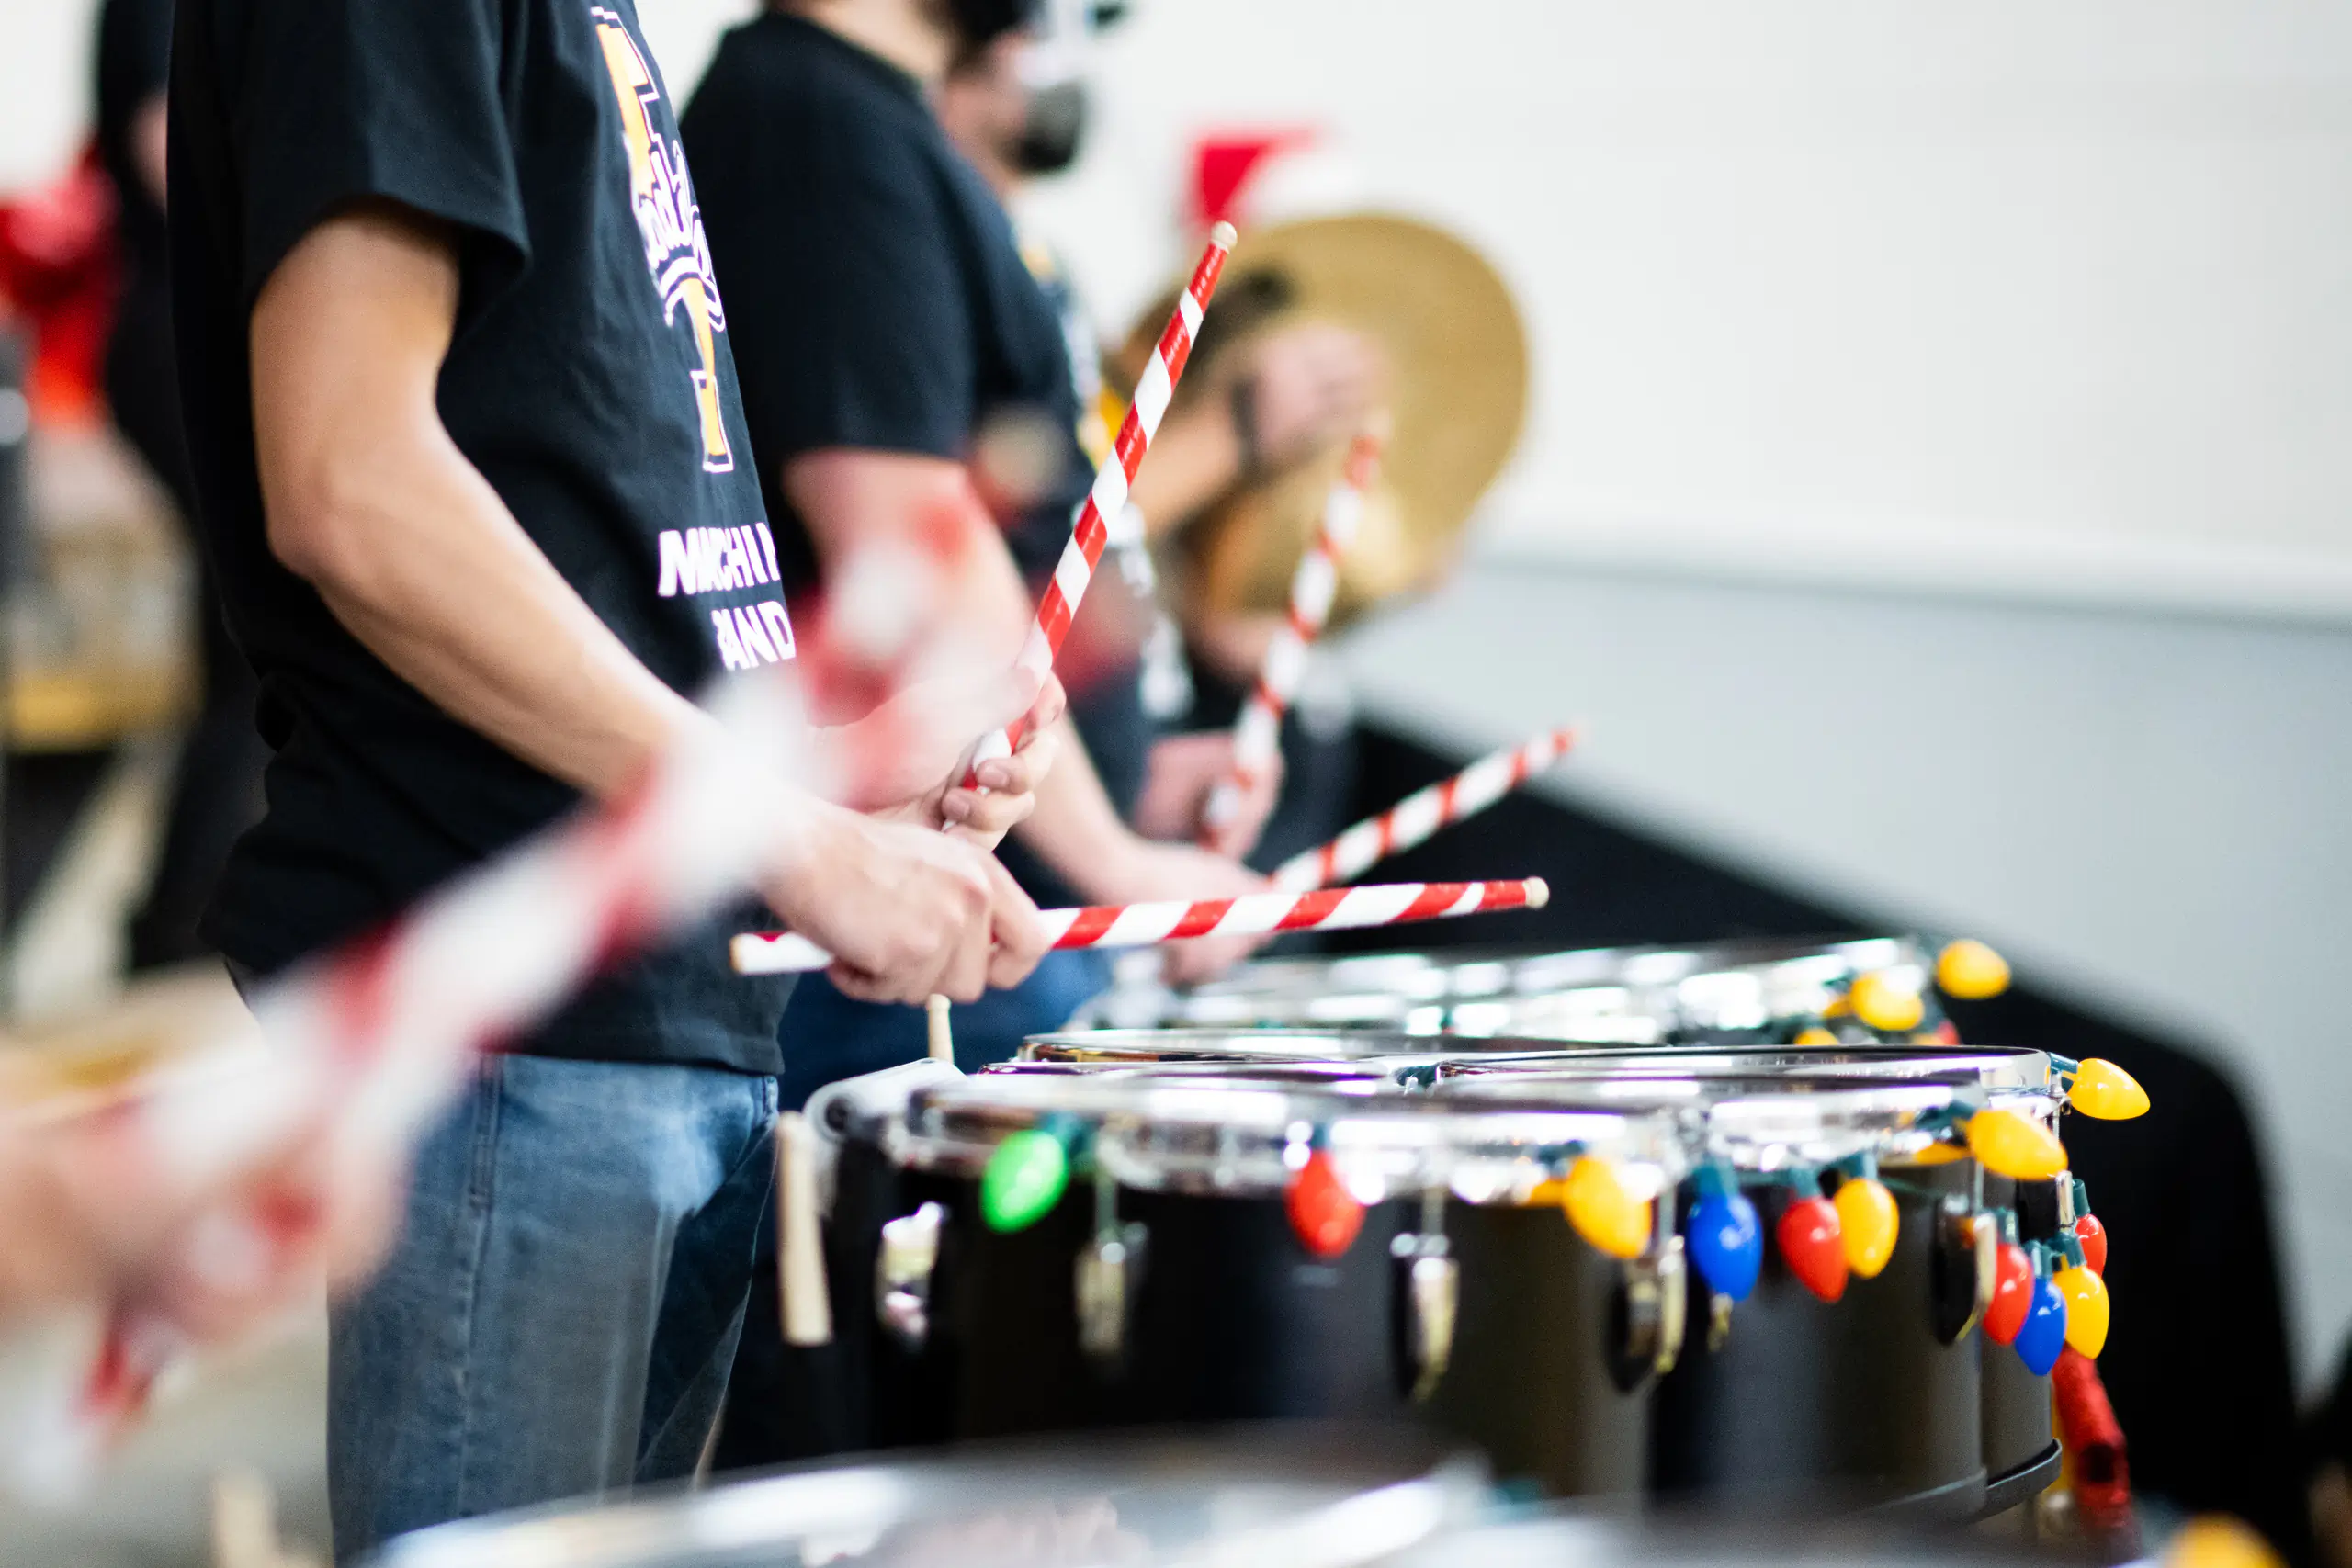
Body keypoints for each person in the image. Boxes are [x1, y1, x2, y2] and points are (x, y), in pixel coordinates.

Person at [166, 0, 1060, 1552]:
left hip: (663, 999)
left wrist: (838, 777)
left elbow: (571, 514)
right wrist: (783, 831)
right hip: (521, 1015)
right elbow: (352, 487)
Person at [684, 0, 1280, 1095]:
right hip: (933, 913)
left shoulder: (864, 119)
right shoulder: (818, 123)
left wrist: (1121, 788)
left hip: (983, 885)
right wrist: (1117, 864)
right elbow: (906, 542)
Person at [933, 24, 1386, 873]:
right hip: (1016, 844)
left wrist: (1132, 781)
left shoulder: (1035, 268)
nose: (1058, 38)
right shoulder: (944, 273)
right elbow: (1023, 555)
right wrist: (1232, 434)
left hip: (1121, 791)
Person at [94, 0, 270, 971]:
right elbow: (171, 156)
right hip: (176, 335)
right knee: (253, 640)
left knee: (238, 644)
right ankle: (179, 923)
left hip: (199, 331)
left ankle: (183, 912)